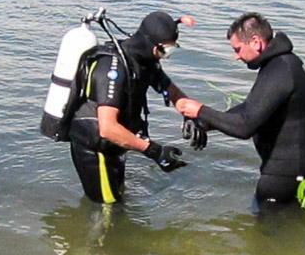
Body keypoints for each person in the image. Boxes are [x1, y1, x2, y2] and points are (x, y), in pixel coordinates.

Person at [176, 12, 305, 204]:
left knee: (265, 233)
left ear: (255, 41)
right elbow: (252, 109)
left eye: (237, 49)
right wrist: (205, 123)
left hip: (286, 175)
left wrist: (200, 110)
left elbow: (245, 126)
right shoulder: (286, 63)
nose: (236, 57)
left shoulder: (279, 70)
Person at [67, 11, 208, 204]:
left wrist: (191, 115)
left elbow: (172, 92)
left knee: (118, 199)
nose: (167, 56)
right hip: (96, 149)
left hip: (117, 145)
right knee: (109, 210)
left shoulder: (146, 62)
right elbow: (107, 128)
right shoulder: (113, 68)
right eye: (165, 50)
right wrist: (155, 151)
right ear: (152, 44)